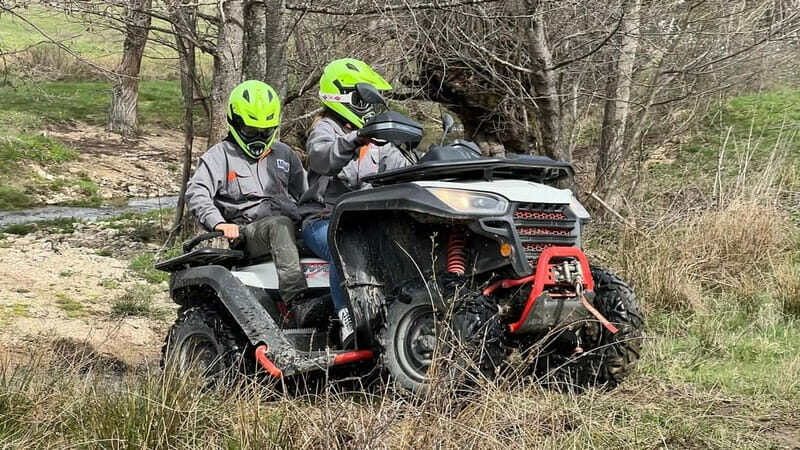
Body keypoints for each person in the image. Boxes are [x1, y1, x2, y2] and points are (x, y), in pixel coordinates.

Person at [300, 58, 410, 346]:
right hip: (323, 221)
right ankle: (348, 319)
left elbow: (402, 168)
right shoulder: (325, 130)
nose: (369, 105)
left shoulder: (377, 139)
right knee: (345, 242)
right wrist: (354, 139)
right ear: (345, 97)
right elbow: (321, 158)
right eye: (363, 98)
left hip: (364, 222)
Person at [186, 80, 308, 307]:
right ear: (235, 122)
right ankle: (297, 301)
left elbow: (306, 194)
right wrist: (219, 224)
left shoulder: (284, 153)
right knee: (279, 225)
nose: (259, 137)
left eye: (265, 131)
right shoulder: (220, 155)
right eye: (251, 131)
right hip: (249, 234)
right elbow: (196, 192)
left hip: (291, 226)